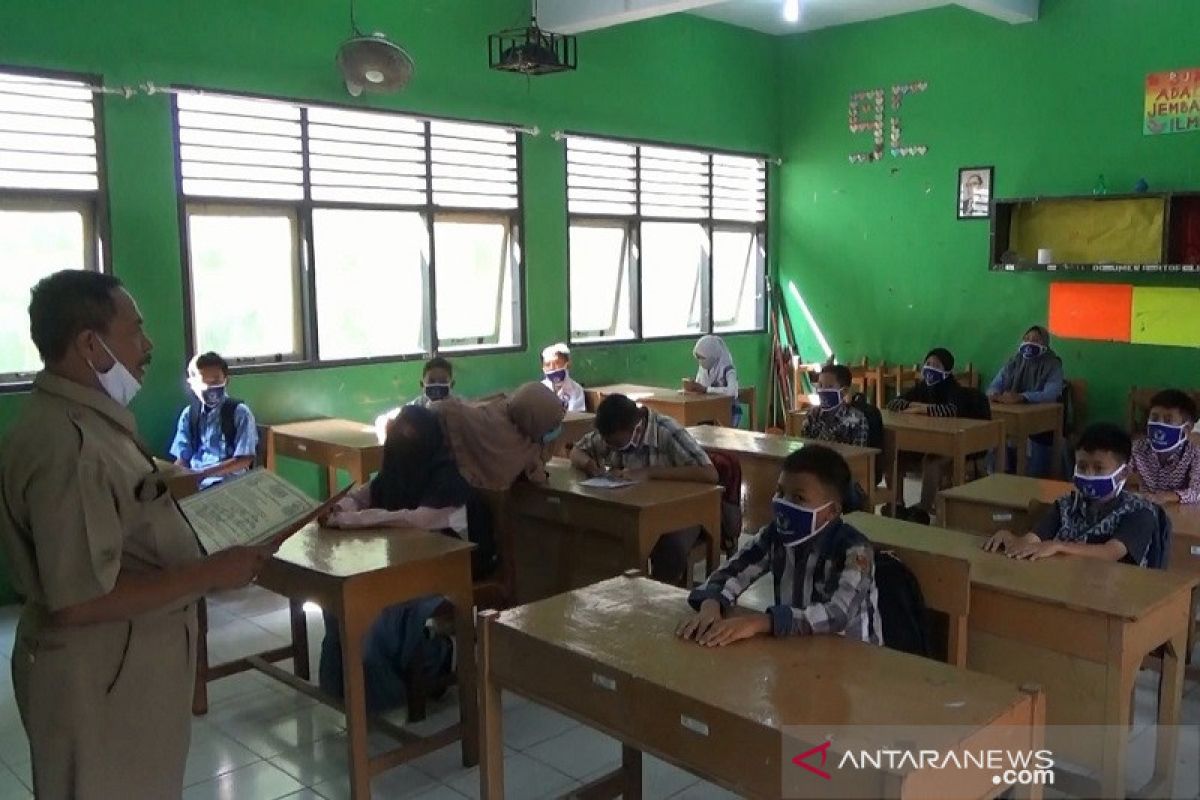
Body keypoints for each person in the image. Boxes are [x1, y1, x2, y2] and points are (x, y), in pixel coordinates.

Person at [0, 270, 274, 799]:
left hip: (123, 673)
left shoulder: (90, 419)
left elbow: (129, 500)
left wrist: (192, 491)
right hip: (99, 679)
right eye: (136, 331)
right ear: (90, 344)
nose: (147, 347)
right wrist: (210, 573)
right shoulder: (69, 445)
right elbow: (78, 601)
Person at [317, 405, 493, 713]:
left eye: (411, 438)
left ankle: (434, 659)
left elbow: (417, 520)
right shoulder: (393, 474)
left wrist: (357, 521)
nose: (403, 446)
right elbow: (364, 494)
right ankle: (348, 688)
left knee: (376, 618)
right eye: (398, 438)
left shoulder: (448, 481)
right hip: (402, 566)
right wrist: (343, 508)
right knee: (341, 609)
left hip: (449, 572)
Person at [676, 445, 883, 646]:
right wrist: (711, 604)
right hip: (797, 646)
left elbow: (838, 614)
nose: (784, 503)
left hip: (852, 658)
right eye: (780, 492)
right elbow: (734, 570)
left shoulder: (854, 550)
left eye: (798, 498)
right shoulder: (776, 535)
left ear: (832, 511)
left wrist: (764, 622)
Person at [571, 394, 718, 584]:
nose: (610, 447)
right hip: (637, 511)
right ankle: (621, 592)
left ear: (633, 427)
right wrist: (590, 465)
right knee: (601, 535)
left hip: (681, 512)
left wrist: (649, 473)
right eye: (607, 443)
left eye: (615, 443)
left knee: (669, 549)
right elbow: (577, 451)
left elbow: (710, 474)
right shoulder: (610, 432)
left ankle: (658, 600)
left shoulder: (666, 430)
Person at [983, 423, 1156, 566]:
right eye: (1082, 467)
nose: (1089, 474)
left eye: (1098, 468)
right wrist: (1011, 540)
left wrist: (1059, 546)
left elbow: (1110, 552)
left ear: (1123, 473)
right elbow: (1033, 539)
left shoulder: (1139, 512)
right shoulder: (1065, 505)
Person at [436, 382, 565, 492]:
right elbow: (537, 476)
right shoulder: (523, 444)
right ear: (540, 422)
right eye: (552, 425)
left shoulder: (500, 408)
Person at [886, 348, 965, 513]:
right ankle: (896, 504)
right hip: (922, 442)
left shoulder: (953, 388)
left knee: (931, 461)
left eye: (936, 365)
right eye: (928, 364)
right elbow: (893, 404)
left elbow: (951, 410)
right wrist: (913, 405)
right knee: (895, 455)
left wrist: (923, 409)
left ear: (947, 370)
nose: (930, 368)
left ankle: (923, 509)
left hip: (947, 444)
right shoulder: (922, 387)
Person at [168, 351, 258, 489]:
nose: (210, 387)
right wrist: (172, 479)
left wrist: (204, 473)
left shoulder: (240, 413)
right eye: (203, 382)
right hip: (196, 483)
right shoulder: (189, 414)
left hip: (231, 483)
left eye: (216, 381)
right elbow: (183, 458)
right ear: (192, 385)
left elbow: (244, 459)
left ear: (226, 380)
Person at [987, 325, 1064, 477]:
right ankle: (1000, 480)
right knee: (995, 435)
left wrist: (1023, 397)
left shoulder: (1052, 364)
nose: (1030, 343)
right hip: (1011, 418)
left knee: (1034, 468)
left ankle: (1027, 482)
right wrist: (995, 394)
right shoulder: (1014, 361)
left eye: (1036, 340)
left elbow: (1051, 393)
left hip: (1041, 423)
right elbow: (995, 385)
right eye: (1027, 339)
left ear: (1045, 345)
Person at [1131, 389, 1200, 505]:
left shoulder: (1194, 454)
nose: (1159, 424)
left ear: (1186, 429)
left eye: (1168, 420)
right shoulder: (1138, 448)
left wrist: (1167, 497)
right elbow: (1120, 473)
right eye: (1154, 418)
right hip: (1147, 509)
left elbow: (1197, 491)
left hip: (1181, 510)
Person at [374, 356, 456, 443]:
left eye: (443, 381)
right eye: (431, 381)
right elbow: (382, 420)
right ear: (422, 385)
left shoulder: (459, 409)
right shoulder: (415, 406)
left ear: (452, 384)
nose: (437, 385)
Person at [800, 363, 869, 447]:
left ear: (844, 391)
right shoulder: (812, 414)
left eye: (829, 386)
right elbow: (804, 448)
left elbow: (860, 455)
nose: (822, 390)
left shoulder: (857, 419)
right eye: (820, 385)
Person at [683, 334, 741, 427]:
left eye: (702, 358)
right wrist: (693, 387)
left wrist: (706, 389)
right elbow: (701, 386)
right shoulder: (705, 368)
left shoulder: (728, 369)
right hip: (710, 410)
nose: (700, 362)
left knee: (721, 433)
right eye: (698, 358)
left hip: (729, 410)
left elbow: (732, 392)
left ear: (712, 356)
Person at [541, 342, 585, 412]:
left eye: (557, 363)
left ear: (567, 364)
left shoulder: (577, 389)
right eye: (547, 364)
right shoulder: (539, 390)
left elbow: (577, 417)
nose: (552, 368)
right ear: (543, 368)